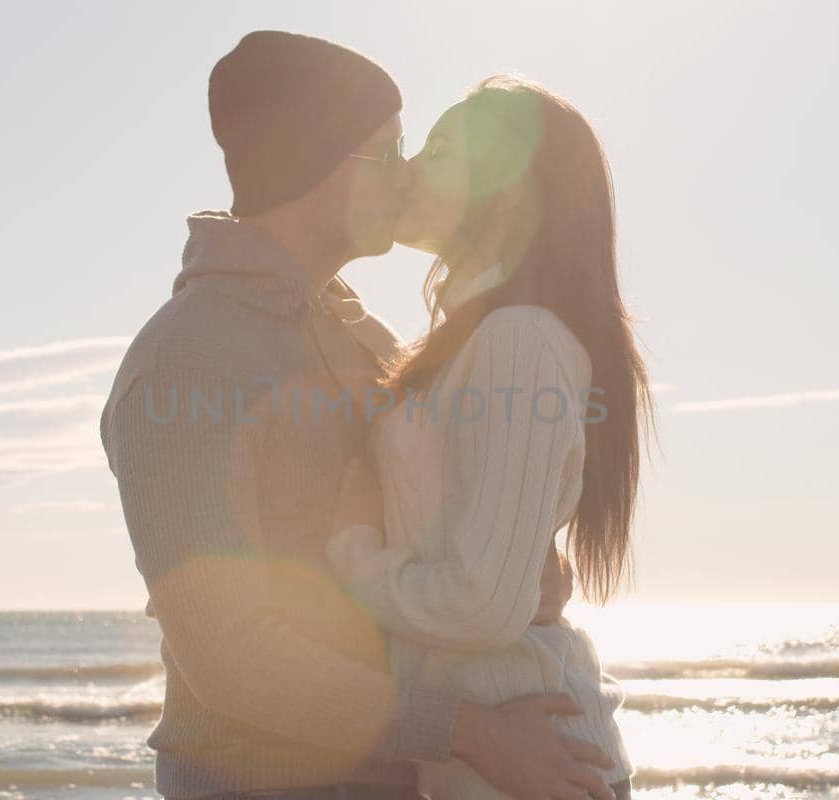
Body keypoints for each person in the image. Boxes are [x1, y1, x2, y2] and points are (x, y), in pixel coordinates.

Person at [100, 31, 617, 800]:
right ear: (316, 163)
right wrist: (470, 730)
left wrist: (513, 575)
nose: (408, 173)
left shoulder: (364, 338)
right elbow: (224, 655)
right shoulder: (186, 359)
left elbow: (449, 527)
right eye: (390, 149)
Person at [326, 74, 660, 800]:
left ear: (507, 188)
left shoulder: (519, 341)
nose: (408, 168)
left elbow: (481, 603)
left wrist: (351, 563)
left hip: (530, 760)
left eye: (439, 151)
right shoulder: (478, 339)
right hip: (490, 754)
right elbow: (478, 556)